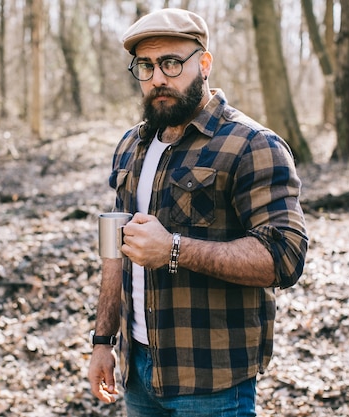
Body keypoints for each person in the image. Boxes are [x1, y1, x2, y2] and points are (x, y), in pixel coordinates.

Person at [88, 8, 308, 417]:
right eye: (146, 66)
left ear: (204, 63)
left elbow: (285, 258)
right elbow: (113, 246)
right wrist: (103, 340)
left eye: (172, 63)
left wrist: (173, 249)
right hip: (137, 372)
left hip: (212, 380)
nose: (158, 78)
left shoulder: (251, 145)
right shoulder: (131, 145)